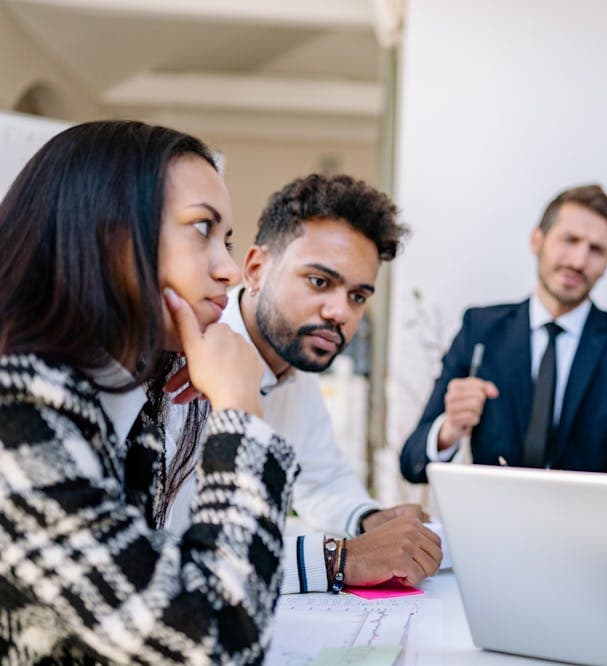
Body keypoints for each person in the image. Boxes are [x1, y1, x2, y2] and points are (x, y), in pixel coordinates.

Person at [0, 120, 297, 662]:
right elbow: (211, 641)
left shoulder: (128, 401)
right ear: (106, 237)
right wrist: (241, 415)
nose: (230, 271)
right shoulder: (16, 413)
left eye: (225, 240)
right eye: (201, 228)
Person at [164, 174, 442, 592]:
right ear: (255, 269)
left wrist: (369, 520)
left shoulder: (296, 360)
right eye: (319, 281)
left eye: (358, 297)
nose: (340, 312)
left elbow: (322, 479)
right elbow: (184, 551)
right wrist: (340, 560)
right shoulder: (184, 357)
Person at [400, 184, 607, 483]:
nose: (578, 262)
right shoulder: (480, 329)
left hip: (586, 525)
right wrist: (449, 429)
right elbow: (412, 462)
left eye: (596, 250)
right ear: (536, 240)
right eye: (570, 240)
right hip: (492, 523)